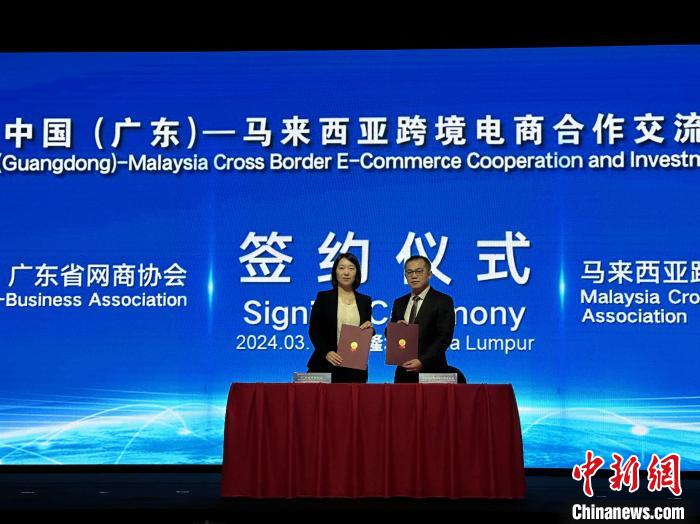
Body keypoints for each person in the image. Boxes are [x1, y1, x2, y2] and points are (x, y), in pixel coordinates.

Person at [307, 252, 373, 383]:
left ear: (357, 273)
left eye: (351, 268)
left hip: (354, 367)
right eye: (341, 268)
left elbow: (365, 330)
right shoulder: (323, 298)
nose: (346, 272)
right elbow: (314, 331)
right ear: (335, 272)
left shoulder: (364, 301)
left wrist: (370, 329)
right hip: (326, 364)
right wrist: (327, 352)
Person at [390, 255, 457, 383]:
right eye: (409, 272)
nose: (414, 276)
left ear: (429, 274)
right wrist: (395, 328)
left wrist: (422, 361)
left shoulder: (443, 300)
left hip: (433, 371)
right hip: (404, 371)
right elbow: (390, 333)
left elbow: (444, 337)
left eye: (419, 271)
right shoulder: (399, 302)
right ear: (405, 276)